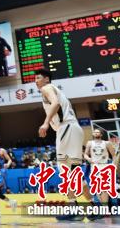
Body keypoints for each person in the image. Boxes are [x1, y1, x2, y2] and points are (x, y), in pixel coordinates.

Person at [35, 68, 96, 221]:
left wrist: (45, 123)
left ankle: (74, 209)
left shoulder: (46, 88)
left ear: (47, 79)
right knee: (74, 171)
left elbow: (55, 104)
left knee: (64, 169)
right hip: (73, 128)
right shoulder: (58, 91)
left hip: (66, 128)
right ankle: (94, 208)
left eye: (38, 78)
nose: (36, 81)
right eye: (35, 78)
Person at [84, 128, 116, 207]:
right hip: (94, 166)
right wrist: (88, 159)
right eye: (94, 132)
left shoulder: (107, 143)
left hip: (104, 165)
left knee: (104, 187)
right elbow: (85, 154)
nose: (96, 133)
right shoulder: (89, 143)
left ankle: (105, 207)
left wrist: (113, 165)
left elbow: (114, 155)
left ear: (101, 134)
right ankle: (103, 207)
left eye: (97, 132)